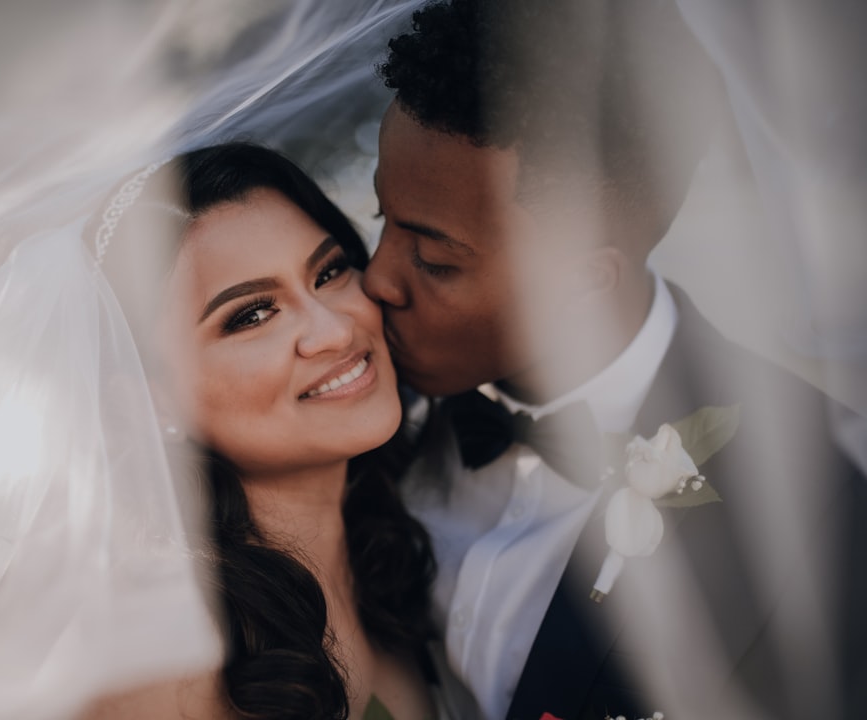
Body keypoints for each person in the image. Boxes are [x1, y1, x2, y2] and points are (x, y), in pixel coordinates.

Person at [361, 1, 867, 719]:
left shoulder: (822, 521)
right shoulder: (357, 416)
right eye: (381, 219)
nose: (374, 281)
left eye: (435, 259)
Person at [81, 142, 439, 720]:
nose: (333, 331)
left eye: (328, 272)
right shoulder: (168, 670)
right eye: (250, 315)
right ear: (152, 401)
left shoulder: (386, 552)